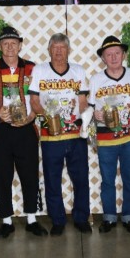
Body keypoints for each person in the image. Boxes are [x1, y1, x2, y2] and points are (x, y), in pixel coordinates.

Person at [0, 26, 48, 238]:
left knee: (30, 175)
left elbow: (41, 98)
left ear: (20, 45)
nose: (10, 47)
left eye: (14, 43)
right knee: (2, 176)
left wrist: (32, 117)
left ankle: (32, 219)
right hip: (0, 130)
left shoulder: (34, 68)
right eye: (5, 43)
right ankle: (6, 221)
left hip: (26, 129)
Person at [29, 33, 91, 236]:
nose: (58, 51)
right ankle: (57, 220)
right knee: (52, 179)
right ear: (49, 50)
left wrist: (79, 118)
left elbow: (83, 101)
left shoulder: (79, 70)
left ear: (68, 50)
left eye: (62, 48)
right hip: (50, 134)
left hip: (75, 135)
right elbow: (34, 102)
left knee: (81, 178)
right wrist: (47, 116)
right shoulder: (39, 70)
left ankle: (81, 218)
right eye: (54, 47)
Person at [88, 36, 130, 234]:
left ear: (123, 54)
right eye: (108, 54)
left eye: (117, 53)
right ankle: (109, 218)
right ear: (103, 58)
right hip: (105, 139)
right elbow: (89, 109)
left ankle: (129, 216)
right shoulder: (96, 79)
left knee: (129, 178)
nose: (113, 57)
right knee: (107, 180)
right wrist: (94, 115)